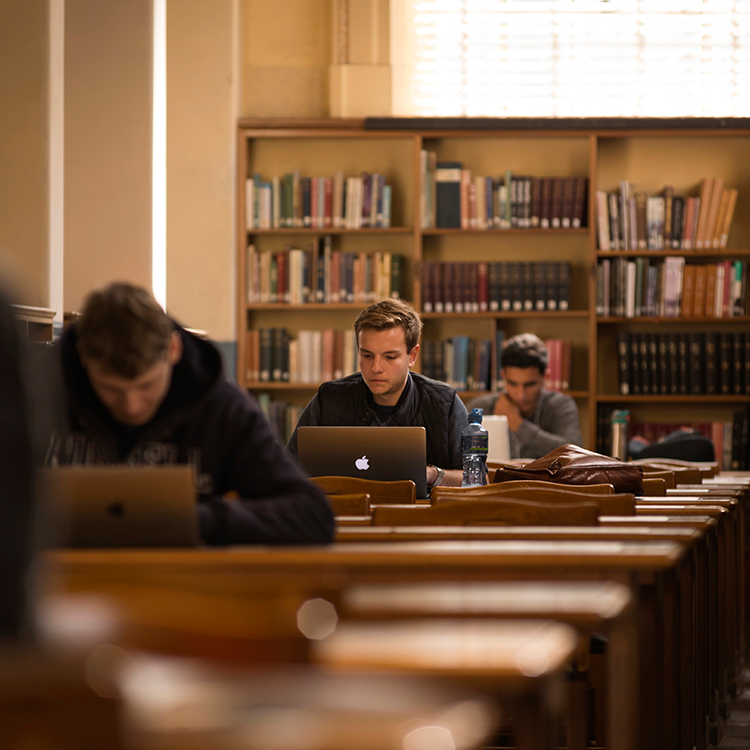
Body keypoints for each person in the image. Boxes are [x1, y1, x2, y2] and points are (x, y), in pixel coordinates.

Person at [44, 281, 334, 546]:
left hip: (183, 590)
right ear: (83, 357)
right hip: (53, 589)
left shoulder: (222, 406)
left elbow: (311, 515)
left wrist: (194, 520)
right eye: (111, 389)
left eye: (146, 385)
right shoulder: (35, 394)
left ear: (173, 349)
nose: (131, 405)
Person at [286, 299, 468, 490]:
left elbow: (477, 479)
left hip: (419, 517)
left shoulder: (445, 403)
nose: (376, 368)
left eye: (390, 357)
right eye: (367, 355)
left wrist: (432, 474)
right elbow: (287, 468)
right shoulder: (328, 399)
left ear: (412, 356)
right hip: (344, 513)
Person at [467, 333, 582, 459]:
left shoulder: (561, 405)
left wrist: (518, 425)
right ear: (503, 376)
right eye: (513, 384)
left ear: (545, 377)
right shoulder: (479, 408)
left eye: (530, 384)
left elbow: (574, 453)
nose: (521, 395)